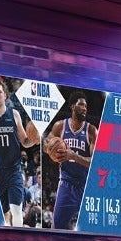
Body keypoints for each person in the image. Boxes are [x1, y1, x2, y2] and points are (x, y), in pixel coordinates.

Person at [0, 78, 40, 226]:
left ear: (5, 95)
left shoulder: (14, 115)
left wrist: (33, 140)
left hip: (14, 170)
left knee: (17, 210)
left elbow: (24, 141)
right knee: (0, 215)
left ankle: (19, 239)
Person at [45, 94, 96, 231]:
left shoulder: (91, 131)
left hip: (87, 186)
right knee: (56, 227)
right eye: (81, 105)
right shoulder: (60, 126)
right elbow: (46, 145)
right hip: (67, 184)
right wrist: (50, 148)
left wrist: (73, 156)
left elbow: (95, 163)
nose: (85, 108)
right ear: (73, 106)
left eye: (86, 106)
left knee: (93, 230)